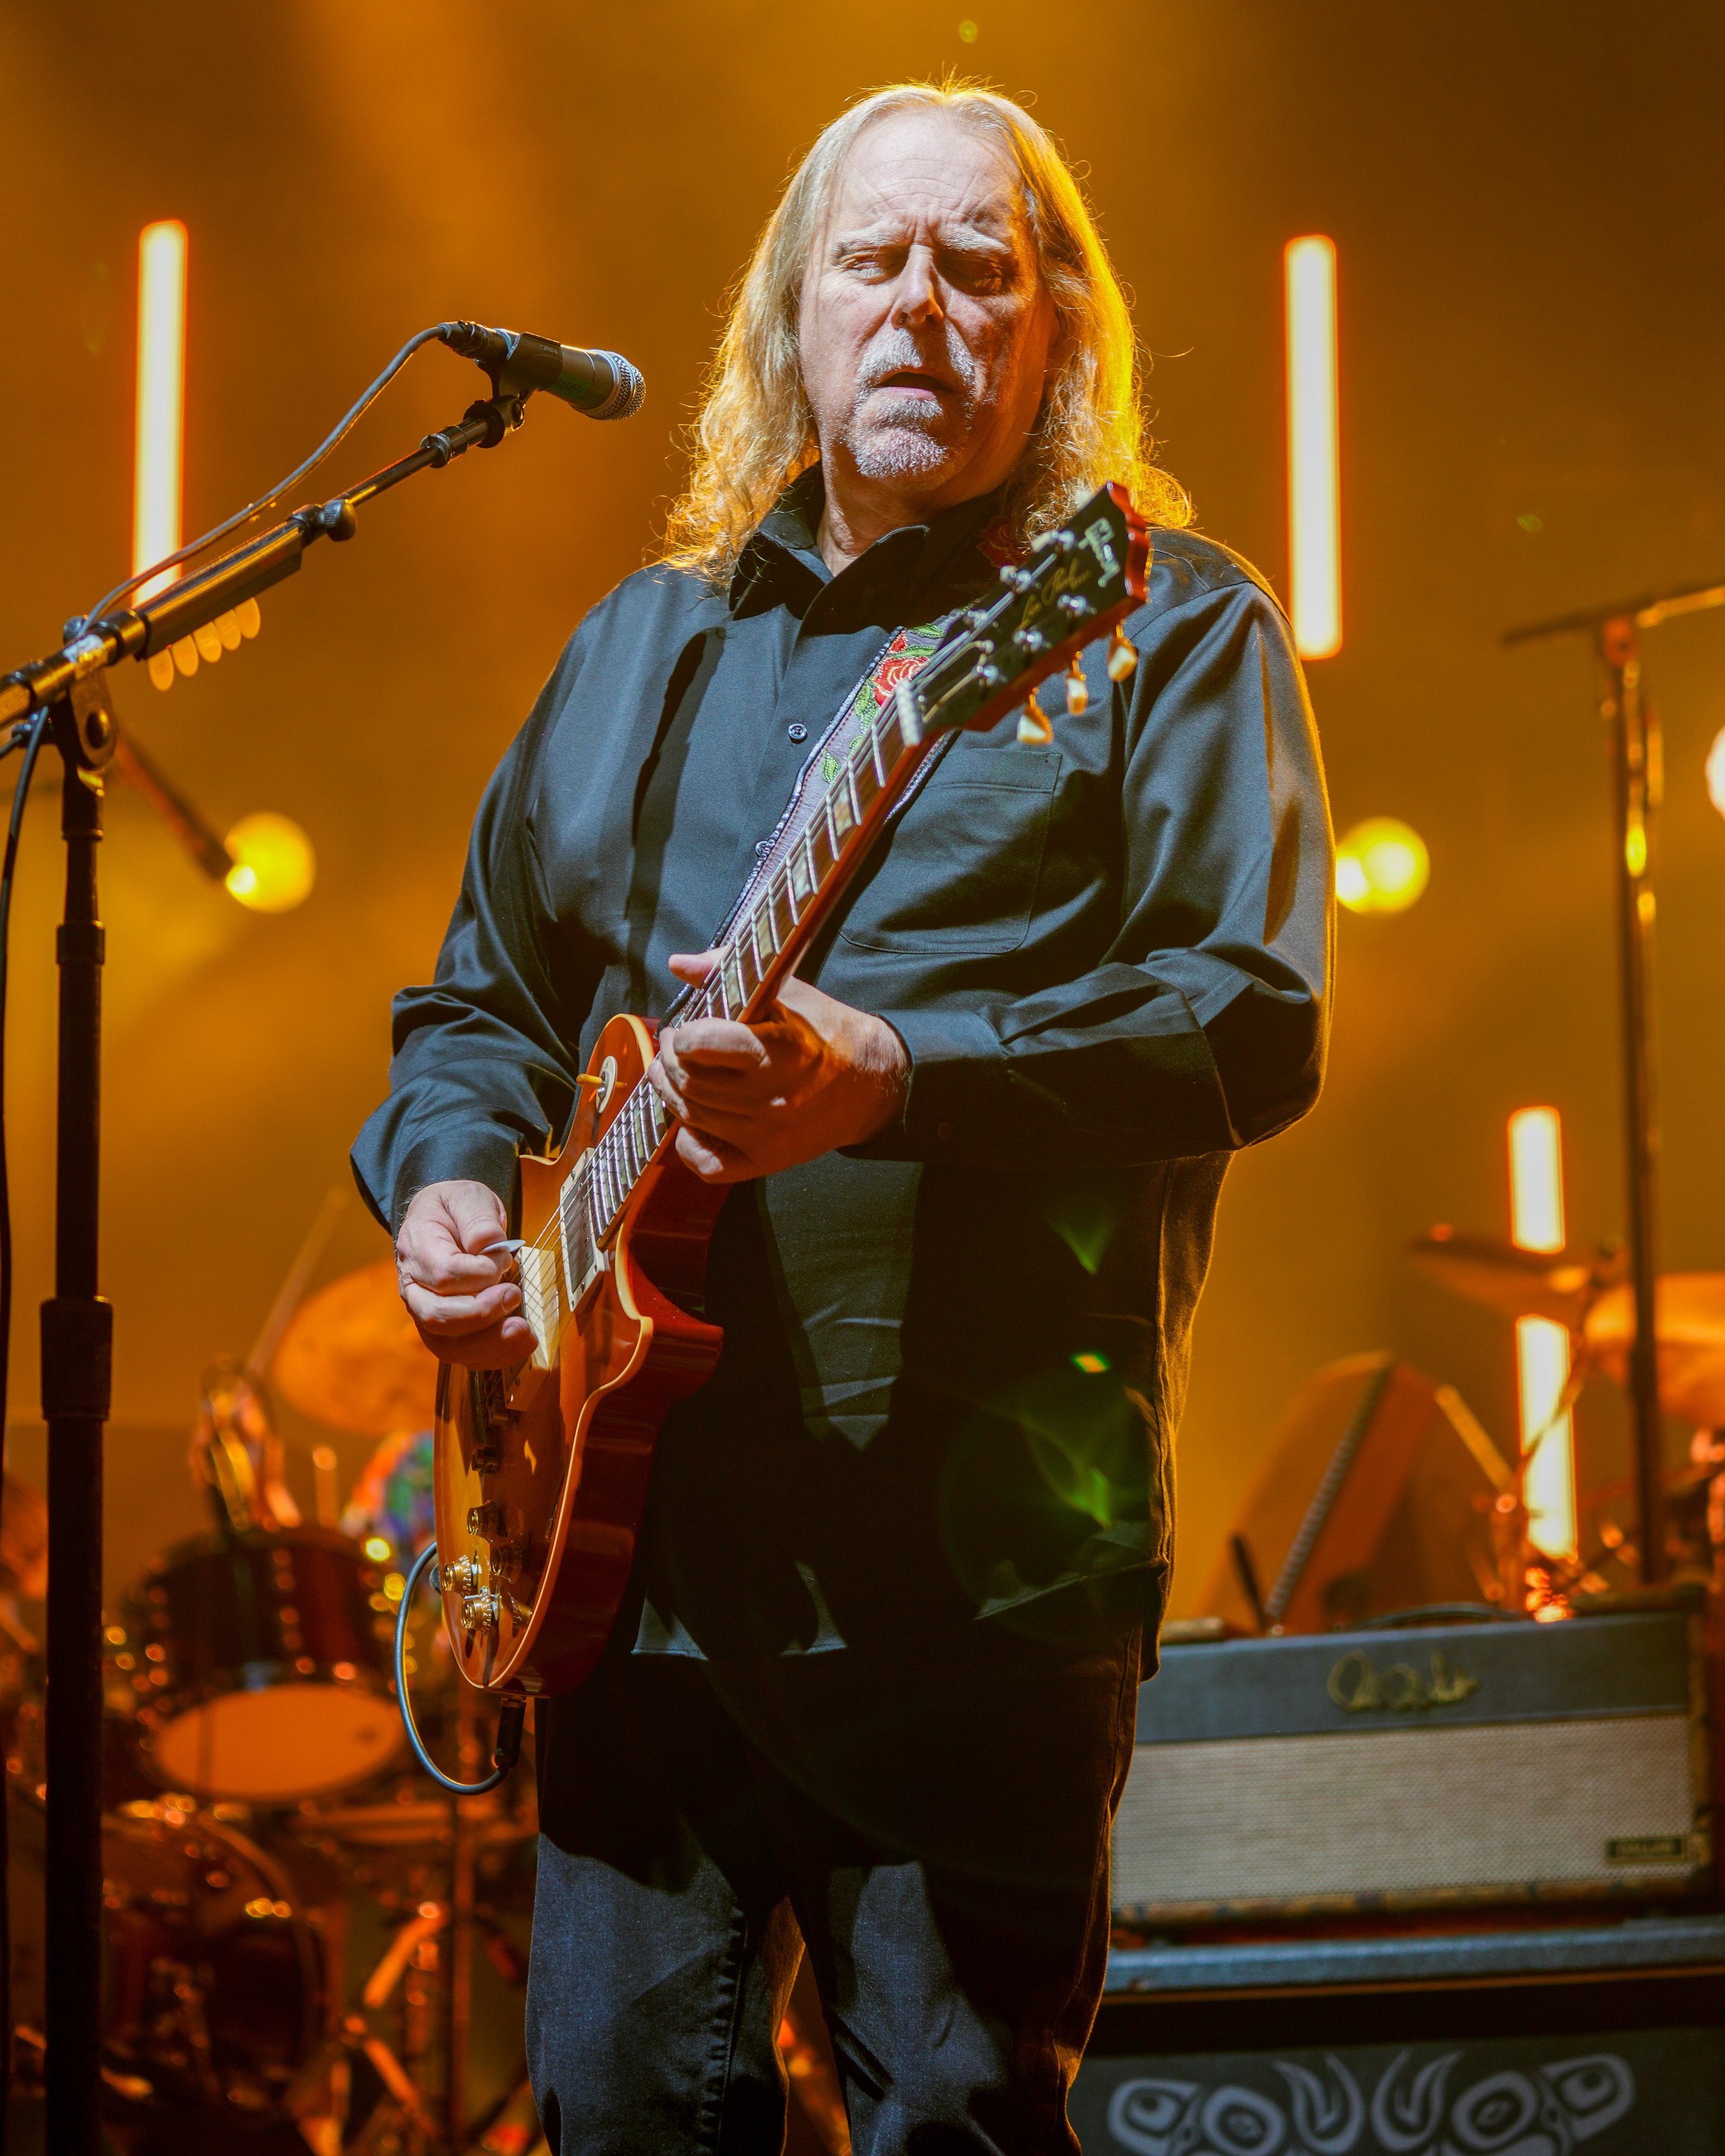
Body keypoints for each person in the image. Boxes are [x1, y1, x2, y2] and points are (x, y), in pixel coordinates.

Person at [353, 80, 1331, 2156]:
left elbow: (1248, 1021)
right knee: (619, 2119)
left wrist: (901, 1073)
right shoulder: (641, 649)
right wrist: (449, 1184)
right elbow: (481, 1004)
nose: (921, 308)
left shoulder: (1159, 622)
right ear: (788, 320)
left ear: (1057, 332)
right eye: (872, 262)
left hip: (971, 1581)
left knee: (957, 2122)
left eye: (980, 268)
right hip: (631, 1572)